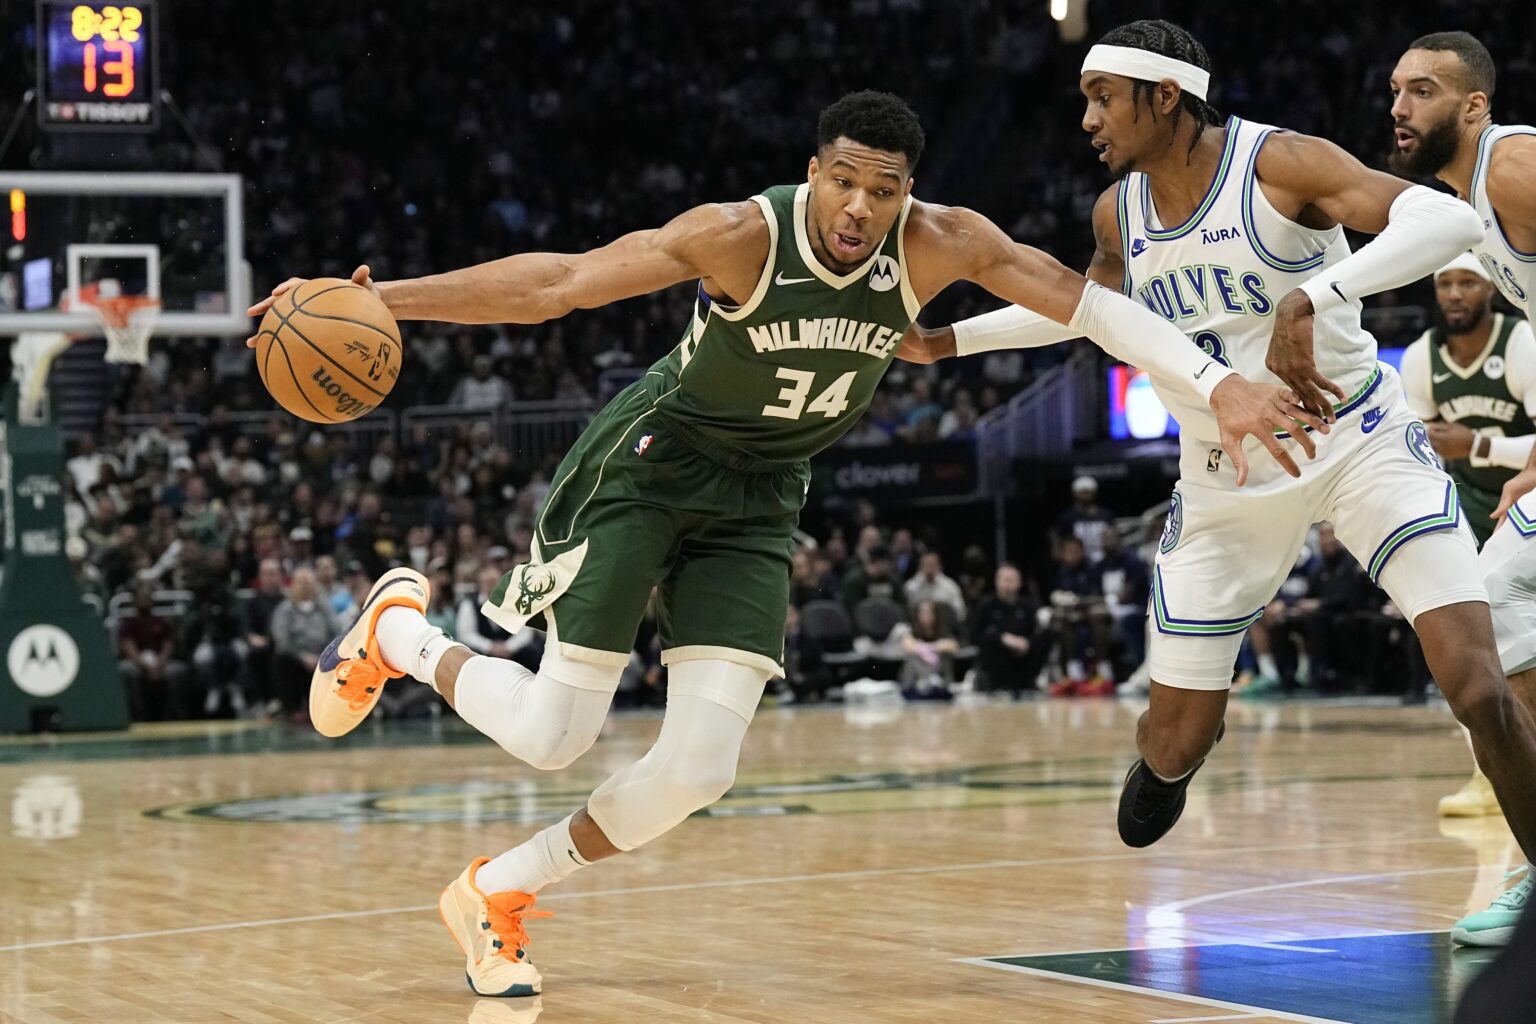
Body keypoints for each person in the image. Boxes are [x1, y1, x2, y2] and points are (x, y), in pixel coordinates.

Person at [250, 90, 1308, 999]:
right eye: (843, 181)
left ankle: (496, 890)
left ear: (907, 194)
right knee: (552, 736)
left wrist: (1220, 383)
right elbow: (557, 285)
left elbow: (1094, 309)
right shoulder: (738, 235)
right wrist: (382, 299)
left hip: (761, 498)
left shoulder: (943, 242)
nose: (859, 208)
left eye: (882, 190)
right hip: (652, 468)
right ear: (813, 175)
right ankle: (399, 634)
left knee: (699, 768)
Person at [905, 21, 1536, 875]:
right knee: (1172, 743)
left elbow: (1446, 220)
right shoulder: (1117, 212)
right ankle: (1182, 749)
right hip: (1224, 478)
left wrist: (1312, 295)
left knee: (1478, 686)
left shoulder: (1278, 163)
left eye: (1103, 99)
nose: (1087, 120)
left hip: (1359, 440)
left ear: (1165, 97)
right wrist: (948, 342)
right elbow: (1084, 310)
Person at [1389, 30, 1536, 945]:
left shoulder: (1511, 167)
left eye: (1424, 91)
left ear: (1474, 107)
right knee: (1495, 598)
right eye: (1395, 91)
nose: (1400, 108)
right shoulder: (1465, 204)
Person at [1401, 256, 1536, 548]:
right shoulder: (1420, 355)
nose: (1454, 294)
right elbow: (1424, 451)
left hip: (1530, 493)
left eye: (1467, 283)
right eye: (1445, 284)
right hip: (1469, 500)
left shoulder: (1523, 342)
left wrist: (1478, 445)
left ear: (1490, 288)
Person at [268, 565, 340, 719]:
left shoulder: (325, 608)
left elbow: (337, 633)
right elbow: (282, 639)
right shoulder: (284, 609)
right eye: (301, 582)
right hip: (297, 656)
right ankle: (292, 708)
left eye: (309, 582)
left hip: (323, 654)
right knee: (281, 659)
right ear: (293, 585)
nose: (305, 586)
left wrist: (323, 656)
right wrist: (302, 656)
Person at [970, 563, 1044, 696]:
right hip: (998, 656)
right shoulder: (986, 605)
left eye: (1012, 580)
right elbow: (975, 635)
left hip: (1023, 654)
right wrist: (1002, 637)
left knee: (1046, 637)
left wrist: (1027, 643)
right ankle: (998, 685)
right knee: (990, 641)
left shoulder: (1028, 606)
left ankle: (1029, 682)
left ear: (1020, 583)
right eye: (1005, 580)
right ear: (997, 582)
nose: (1008, 584)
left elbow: (1036, 632)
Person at [902, 551, 966, 627]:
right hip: (919, 627)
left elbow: (960, 612)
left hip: (945, 626)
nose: (929, 568)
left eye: (932, 564)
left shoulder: (950, 586)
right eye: (925, 565)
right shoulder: (911, 587)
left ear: (939, 566)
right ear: (920, 567)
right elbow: (908, 611)